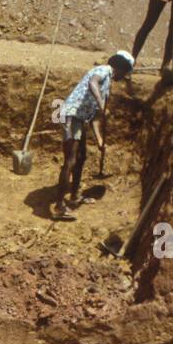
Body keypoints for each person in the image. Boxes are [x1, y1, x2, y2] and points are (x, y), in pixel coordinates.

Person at [53, 52, 134, 219]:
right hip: (71, 115)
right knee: (71, 159)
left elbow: (96, 118)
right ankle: (59, 206)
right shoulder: (104, 70)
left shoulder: (107, 86)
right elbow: (92, 83)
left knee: (81, 158)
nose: (124, 76)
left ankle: (75, 196)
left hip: (80, 119)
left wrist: (99, 140)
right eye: (125, 72)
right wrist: (102, 104)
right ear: (120, 67)